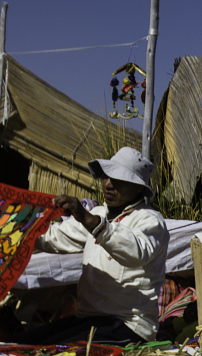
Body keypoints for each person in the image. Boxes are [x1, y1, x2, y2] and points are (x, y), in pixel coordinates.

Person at [14, 147, 168, 345]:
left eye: (119, 180)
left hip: (128, 325)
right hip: (89, 319)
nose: (109, 184)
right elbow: (53, 238)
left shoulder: (150, 220)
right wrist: (16, 227)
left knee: (47, 352)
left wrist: (89, 219)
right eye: (106, 177)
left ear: (138, 187)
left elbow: (135, 252)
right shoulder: (99, 213)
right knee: (19, 345)